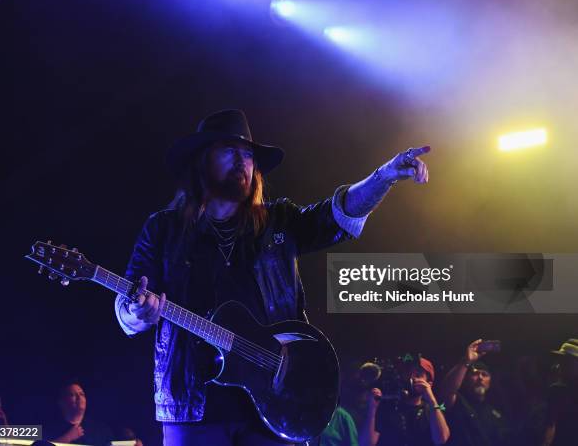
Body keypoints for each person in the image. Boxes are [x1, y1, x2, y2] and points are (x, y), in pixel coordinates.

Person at [114, 109, 430, 446]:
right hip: (193, 406)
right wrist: (136, 313)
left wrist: (384, 177)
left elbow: (338, 214)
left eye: (248, 154)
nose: (242, 162)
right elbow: (127, 305)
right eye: (229, 151)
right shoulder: (164, 228)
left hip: (275, 403)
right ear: (201, 160)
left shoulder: (278, 222)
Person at [359, 355, 450, 446]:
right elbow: (366, 444)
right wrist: (372, 409)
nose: (411, 378)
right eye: (408, 373)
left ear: (429, 384)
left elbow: (441, 439)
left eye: (418, 375)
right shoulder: (387, 406)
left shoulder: (433, 411)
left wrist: (432, 399)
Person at [438, 339, 508, 446]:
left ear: (490, 381)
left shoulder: (495, 412)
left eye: (484, 374)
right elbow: (447, 391)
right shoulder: (459, 402)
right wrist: (466, 361)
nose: (480, 378)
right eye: (475, 374)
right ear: (466, 379)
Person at [521, 338, 578, 446]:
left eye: (566, 362)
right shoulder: (557, 391)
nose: (558, 366)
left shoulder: (558, 391)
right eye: (560, 361)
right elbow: (550, 426)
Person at [44, 379, 112, 445]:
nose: (79, 397)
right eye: (73, 395)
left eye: (82, 394)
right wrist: (68, 437)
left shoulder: (101, 429)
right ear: (61, 402)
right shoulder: (46, 427)